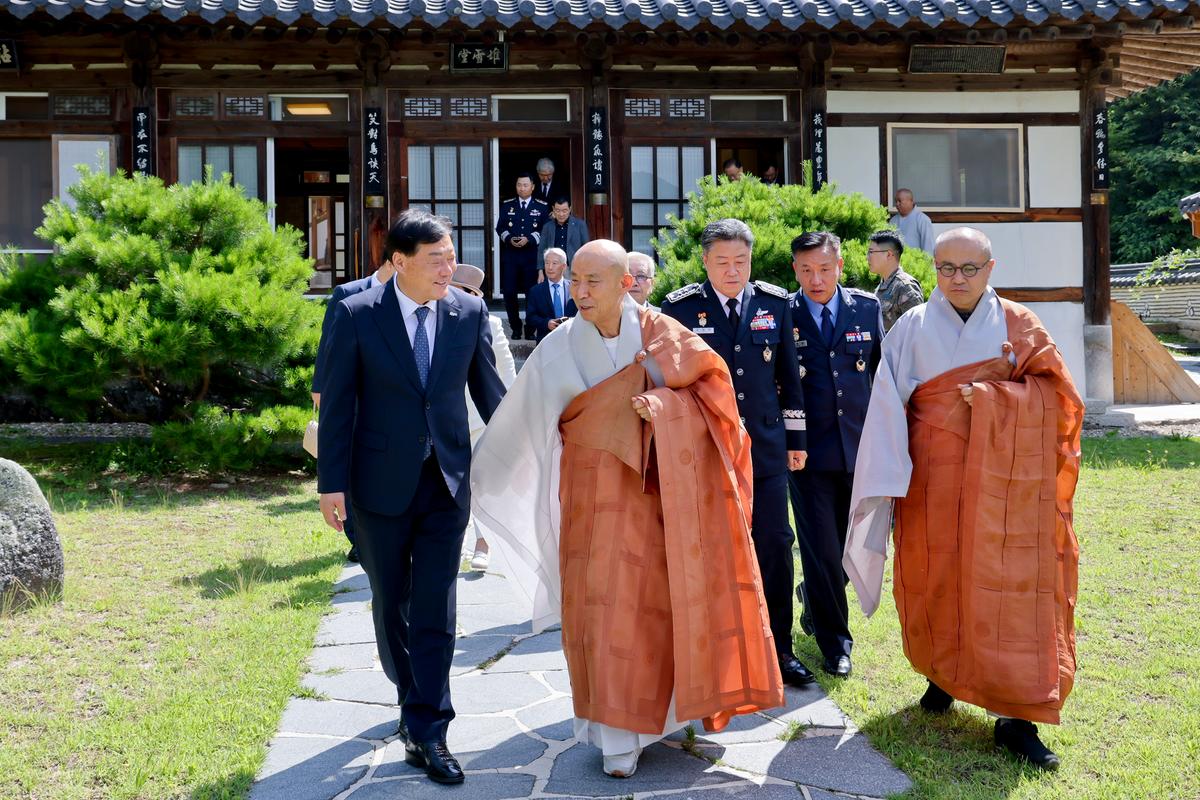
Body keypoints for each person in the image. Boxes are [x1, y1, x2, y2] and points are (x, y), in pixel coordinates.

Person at [472, 240, 784, 778]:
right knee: (603, 607)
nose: (581, 291)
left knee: (661, 602)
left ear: (626, 284)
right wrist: (477, 479)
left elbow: (715, 393)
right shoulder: (560, 345)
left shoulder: (664, 333)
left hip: (662, 493)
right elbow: (518, 426)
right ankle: (615, 734)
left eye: (594, 281)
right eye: (575, 279)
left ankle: (662, 716)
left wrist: (663, 407)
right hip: (592, 495)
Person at [844, 227, 1083, 771]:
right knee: (936, 574)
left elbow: (1058, 396)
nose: (957, 278)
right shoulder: (912, 325)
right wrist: (886, 473)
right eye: (946, 268)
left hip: (1006, 484)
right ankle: (941, 676)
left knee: (1012, 588)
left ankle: (1016, 715)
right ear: (934, 270)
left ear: (991, 268)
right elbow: (886, 402)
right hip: (932, 476)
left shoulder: (1020, 324)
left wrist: (998, 399)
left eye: (969, 268)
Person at [317, 210, 507, 785]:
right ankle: (410, 696)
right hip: (376, 484)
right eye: (436, 259)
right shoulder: (355, 314)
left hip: (447, 483)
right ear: (399, 261)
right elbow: (338, 405)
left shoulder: (468, 311)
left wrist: (530, 453)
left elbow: (493, 397)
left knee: (435, 604)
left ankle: (430, 726)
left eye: (452, 256)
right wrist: (332, 484)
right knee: (390, 599)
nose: (450, 268)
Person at [660, 219, 812, 688]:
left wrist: (797, 442)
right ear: (704, 262)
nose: (733, 270)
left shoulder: (774, 303)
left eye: (741, 261)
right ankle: (714, 651)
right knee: (710, 550)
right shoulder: (680, 309)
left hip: (764, 451)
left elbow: (788, 376)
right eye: (722, 262)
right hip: (706, 452)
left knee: (774, 544)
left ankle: (779, 648)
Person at [787, 231, 882, 679]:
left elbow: (882, 380)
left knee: (857, 547)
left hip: (860, 450)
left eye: (824, 269)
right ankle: (835, 643)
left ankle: (815, 594)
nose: (816, 279)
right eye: (806, 270)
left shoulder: (866, 308)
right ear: (795, 271)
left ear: (840, 266)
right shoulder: (783, 315)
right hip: (807, 457)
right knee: (822, 549)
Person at [311, 260, 397, 563]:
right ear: (391, 262)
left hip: (384, 396)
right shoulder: (348, 293)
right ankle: (356, 537)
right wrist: (320, 386)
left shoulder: (406, 296)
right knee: (349, 460)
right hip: (350, 391)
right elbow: (329, 342)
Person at [448, 263, 519, 572]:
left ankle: (483, 541)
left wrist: (508, 418)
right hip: (440, 418)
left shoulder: (487, 321)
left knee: (481, 482)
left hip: (478, 418)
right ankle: (450, 543)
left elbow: (504, 373)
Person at [496, 173, 549, 341]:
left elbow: (545, 230)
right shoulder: (507, 205)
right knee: (509, 293)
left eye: (525, 185)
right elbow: (500, 228)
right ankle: (515, 327)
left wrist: (531, 238)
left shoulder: (541, 206)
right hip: (511, 256)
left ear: (533, 186)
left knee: (531, 293)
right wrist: (509, 238)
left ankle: (530, 328)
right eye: (519, 185)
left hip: (531, 257)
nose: (522, 188)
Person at [867, 230, 925, 334]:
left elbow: (916, 332)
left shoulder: (905, 286)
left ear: (889, 255)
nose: (868, 257)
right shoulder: (882, 286)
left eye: (871, 252)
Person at [525, 248, 577, 343]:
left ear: (564, 266)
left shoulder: (574, 288)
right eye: (547, 263)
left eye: (554, 263)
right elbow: (530, 317)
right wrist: (546, 323)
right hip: (546, 340)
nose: (550, 267)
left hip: (571, 340)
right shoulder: (536, 291)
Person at [537, 197, 589, 268]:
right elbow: (542, 249)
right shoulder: (547, 226)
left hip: (573, 267)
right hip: (552, 267)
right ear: (553, 209)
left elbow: (586, 248)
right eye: (558, 211)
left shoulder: (580, 225)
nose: (561, 214)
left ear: (570, 209)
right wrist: (540, 270)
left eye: (564, 211)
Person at [889, 188, 936, 256]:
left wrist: (926, 265)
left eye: (899, 201)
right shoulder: (893, 221)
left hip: (917, 264)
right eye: (896, 201)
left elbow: (928, 248)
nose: (897, 204)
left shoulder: (922, 219)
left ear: (911, 201)